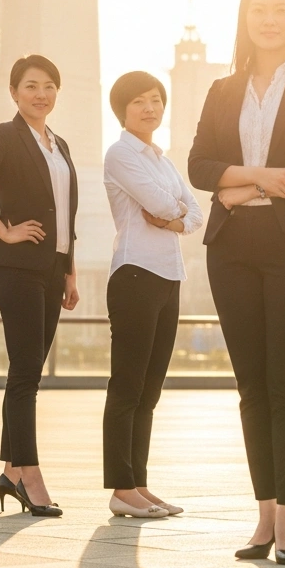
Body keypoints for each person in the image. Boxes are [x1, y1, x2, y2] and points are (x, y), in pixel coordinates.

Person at [189, 0, 285, 565]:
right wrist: (254, 178)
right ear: (245, 18)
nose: (269, 19)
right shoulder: (222, 89)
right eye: (259, 9)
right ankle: (262, 515)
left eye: (280, 9)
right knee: (250, 384)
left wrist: (253, 183)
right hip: (231, 247)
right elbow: (201, 164)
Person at [0, 54, 79, 518]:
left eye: (49, 85)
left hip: (52, 268)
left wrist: (68, 271)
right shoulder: (4, 136)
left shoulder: (59, 144)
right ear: (13, 92)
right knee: (27, 372)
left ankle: (10, 470)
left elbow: (65, 211)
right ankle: (30, 473)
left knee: (27, 373)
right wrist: (3, 230)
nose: (41, 94)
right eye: (31, 86)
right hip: (19, 268)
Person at [101, 71, 203, 519]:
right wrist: (173, 212)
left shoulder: (162, 158)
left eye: (156, 100)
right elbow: (161, 205)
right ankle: (120, 488)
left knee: (150, 390)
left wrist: (175, 216)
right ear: (122, 109)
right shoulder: (120, 154)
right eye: (139, 101)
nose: (150, 108)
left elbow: (195, 212)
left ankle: (138, 483)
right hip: (135, 274)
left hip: (168, 276)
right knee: (127, 386)